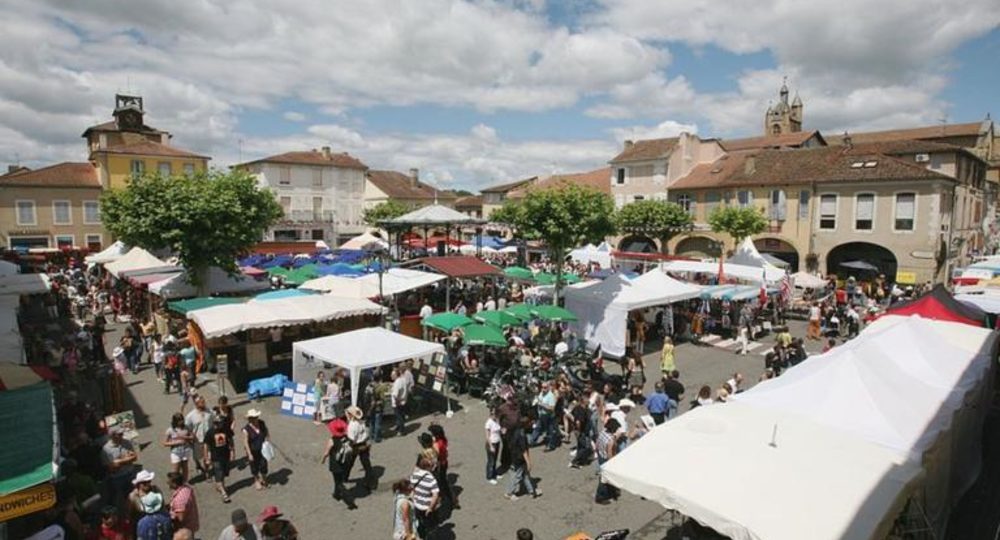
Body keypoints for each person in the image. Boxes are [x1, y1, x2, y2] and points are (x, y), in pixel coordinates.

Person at [101, 426, 138, 511]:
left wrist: (119, 461)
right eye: (120, 434)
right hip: (117, 477)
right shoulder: (106, 449)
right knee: (118, 499)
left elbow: (135, 457)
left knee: (133, 496)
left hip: (130, 473)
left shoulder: (127, 443)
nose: (122, 435)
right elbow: (111, 468)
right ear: (113, 436)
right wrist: (126, 459)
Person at [505, 416, 540, 501]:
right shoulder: (522, 435)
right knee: (517, 476)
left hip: (514, 456)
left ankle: (531, 491)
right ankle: (509, 493)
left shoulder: (515, 431)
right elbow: (524, 450)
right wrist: (528, 462)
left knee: (525, 475)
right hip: (519, 459)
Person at [203, 413, 234, 503]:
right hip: (216, 457)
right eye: (216, 423)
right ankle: (224, 494)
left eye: (220, 423)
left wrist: (232, 452)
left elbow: (231, 440)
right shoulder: (210, 432)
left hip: (225, 455)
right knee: (219, 473)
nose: (218, 425)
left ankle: (220, 486)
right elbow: (206, 445)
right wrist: (206, 458)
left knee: (224, 473)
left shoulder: (226, 430)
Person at [321, 417, 352, 505]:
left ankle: (343, 496)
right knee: (340, 479)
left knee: (337, 481)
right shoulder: (346, 438)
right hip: (345, 462)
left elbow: (326, 452)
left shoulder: (332, 440)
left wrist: (323, 460)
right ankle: (336, 493)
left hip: (336, 463)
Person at [428, 424, 459, 509]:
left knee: (442, 484)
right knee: (443, 482)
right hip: (444, 463)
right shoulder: (443, 440)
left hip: (440, 465)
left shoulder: (437, 444)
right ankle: (450, 499)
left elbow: (435, 457)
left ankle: (451, 500)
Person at [409, 456, 441, 538]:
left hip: (417, 505)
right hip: (427, 507)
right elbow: (435, 495)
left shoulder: (414, 475)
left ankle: (422, 537)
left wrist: (413, 498)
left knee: (420, 523)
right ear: (428, 467)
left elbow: (411, 488)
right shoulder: (431, 479)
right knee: (432, 526)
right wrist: (431, 508)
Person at [345, 406, 376, 491]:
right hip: (364, 444)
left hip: (355, 446)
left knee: (349, 463)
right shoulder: (362, 422)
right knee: (366, 464)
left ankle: (344, 477)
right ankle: (370, 481)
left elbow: (351, 439)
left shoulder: (352, 425)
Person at [184, 395, 213, 481]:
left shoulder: (209, 412)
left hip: (208, 439)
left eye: (204, 402)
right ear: (196, 404)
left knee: (207, 457)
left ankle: (207, 473)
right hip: (198, 440)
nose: (204, 404)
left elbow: (214, 421)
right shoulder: (190, 416)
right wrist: (190, 436)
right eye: (201, 402)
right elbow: (187, 427)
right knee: (197, 456)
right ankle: (198, 465)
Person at [241, 409, 270, 490]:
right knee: (254, 467)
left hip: (263, 449)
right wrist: (249, 454)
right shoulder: (246, 429)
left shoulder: (261, 423)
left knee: (264, 465)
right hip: (253, 451)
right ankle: (256, 480)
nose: (256, 419)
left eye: (256, 417)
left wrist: (268, 439)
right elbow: (245, 442)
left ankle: (264, 479)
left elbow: (266, 431)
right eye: (254, 417)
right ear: (250, 419)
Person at [594, 418, 621, 504]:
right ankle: (601, 496)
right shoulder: (610, 440)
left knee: (605, 476)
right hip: (606, 459)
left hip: (601, 456)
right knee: (605, 478)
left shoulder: (603, 432)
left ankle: (611, 492)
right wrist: (612, 463)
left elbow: (597, 444)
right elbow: (609, 453)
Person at [162, 413, 195, 482]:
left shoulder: (186, 427)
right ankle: (175, 484)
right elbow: (164, 443)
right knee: (176, 470)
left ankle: (184, 482)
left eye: (182, 419)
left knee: (185, 468)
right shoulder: (170, 430)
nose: (181, 422)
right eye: (179, 420)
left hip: (186, 450)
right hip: (176, 452)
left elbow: (192, 437)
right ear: (175, 421)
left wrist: (185, 437)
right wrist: (177, 442)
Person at [484, 408, 502, 484]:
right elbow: (487, 436)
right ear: (491, 414)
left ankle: (494, 473)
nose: (496, 416)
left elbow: (498, 430)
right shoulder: (488, 423)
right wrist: (491, 446)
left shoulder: (496, 421)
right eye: (495, 414)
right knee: (491, 461)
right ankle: (489, 476)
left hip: (497, 442)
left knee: (495, 459)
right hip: (491, 443)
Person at [390, 369, 409, 435]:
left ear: (396, 375)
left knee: (399, 417)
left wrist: (397, 402)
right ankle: (398, 427)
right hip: (404, 401)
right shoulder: (403, 380)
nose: (391, 376)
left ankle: (402, 431)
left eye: (392, 375)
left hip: (397, 403)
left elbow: (395, 395)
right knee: (401, 416)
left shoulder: (397, 383)